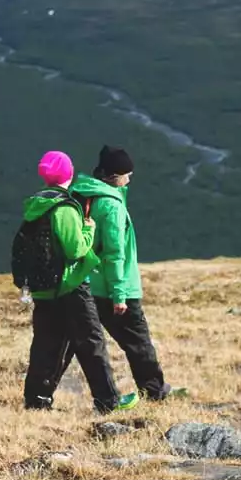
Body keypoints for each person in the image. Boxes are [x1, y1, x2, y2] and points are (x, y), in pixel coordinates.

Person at [22, 150, 138, 414]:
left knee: (45, 344)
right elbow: (76, 250)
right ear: (68, 173)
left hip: (44, 288)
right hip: (71, 284)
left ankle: (36, 401)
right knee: (92, 342)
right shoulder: (64, 206)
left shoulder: (36, 204)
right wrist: (88, 229)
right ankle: (108, 402)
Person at [70, 145, 172, 401]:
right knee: (138, 342)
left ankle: (41, 396)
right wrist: (119, 294)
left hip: (82, 284)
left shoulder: (78, 195)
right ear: (115, 177)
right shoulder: (112, 206)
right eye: (127, 173)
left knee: (77, 344)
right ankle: (154, 392)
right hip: (113, 287)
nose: (130, 178)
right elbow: (115, 254)